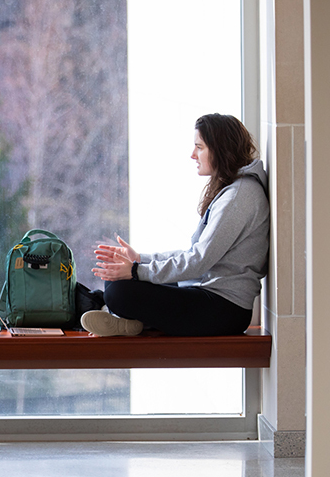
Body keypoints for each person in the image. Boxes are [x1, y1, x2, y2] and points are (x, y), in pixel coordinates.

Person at [82, 113, 269, 337]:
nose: (193, 155)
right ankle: (132, 324)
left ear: (220, 149)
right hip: (211, 295)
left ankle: (124, 317)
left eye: (199, 147)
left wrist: (135, 270)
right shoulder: (235, 191)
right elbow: (194, 255)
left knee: (120, 290)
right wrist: (140, 259)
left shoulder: (239, 197)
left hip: (225, 309)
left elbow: (198, 261)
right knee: (115, 281)